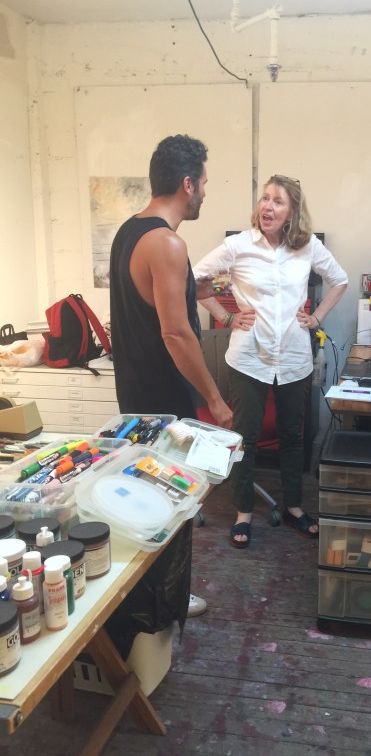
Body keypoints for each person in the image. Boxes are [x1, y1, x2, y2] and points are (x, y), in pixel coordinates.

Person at [109, 134, 232, 629]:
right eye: (203, 182)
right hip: (163, 398)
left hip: (135, 393)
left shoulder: (130, 232)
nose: (205, 191)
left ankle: (152, 593)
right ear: (187, 184)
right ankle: (165, 600)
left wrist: (193, 289)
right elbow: (176, 334)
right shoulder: (168, 242)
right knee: (172, 501)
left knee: (149, 498)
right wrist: (215, 399)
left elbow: (146, 301)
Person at [193, 174, 347, 549]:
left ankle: (293, 506)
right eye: (265, 198)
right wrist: (226, 316)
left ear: (292, 211)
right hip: (249, 358)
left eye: (278, 201)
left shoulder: (307, 246)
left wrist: (317, 317)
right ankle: (243, 512)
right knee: (244, 438)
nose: (268, 206)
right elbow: (194, 280)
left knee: (293, 436)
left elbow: (339, 279)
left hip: (294, 357)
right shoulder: (238, 245)